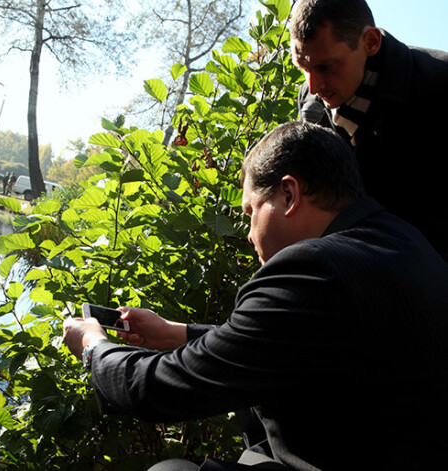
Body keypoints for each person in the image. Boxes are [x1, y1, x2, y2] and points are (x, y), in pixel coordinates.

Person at [63, 121, 448, 470]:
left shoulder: (312, 266)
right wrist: (172, 333)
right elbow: (285, 339)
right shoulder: (406, 242)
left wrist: (94, 345)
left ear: (289, 194)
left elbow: (160, 390)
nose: (248, 233)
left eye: (250, 211)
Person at [290, 0, 448, 261]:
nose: (314, 86)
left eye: (326, 67)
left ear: (371, 42)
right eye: (303, 68)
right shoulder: (310, 102)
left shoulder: (439, 85)